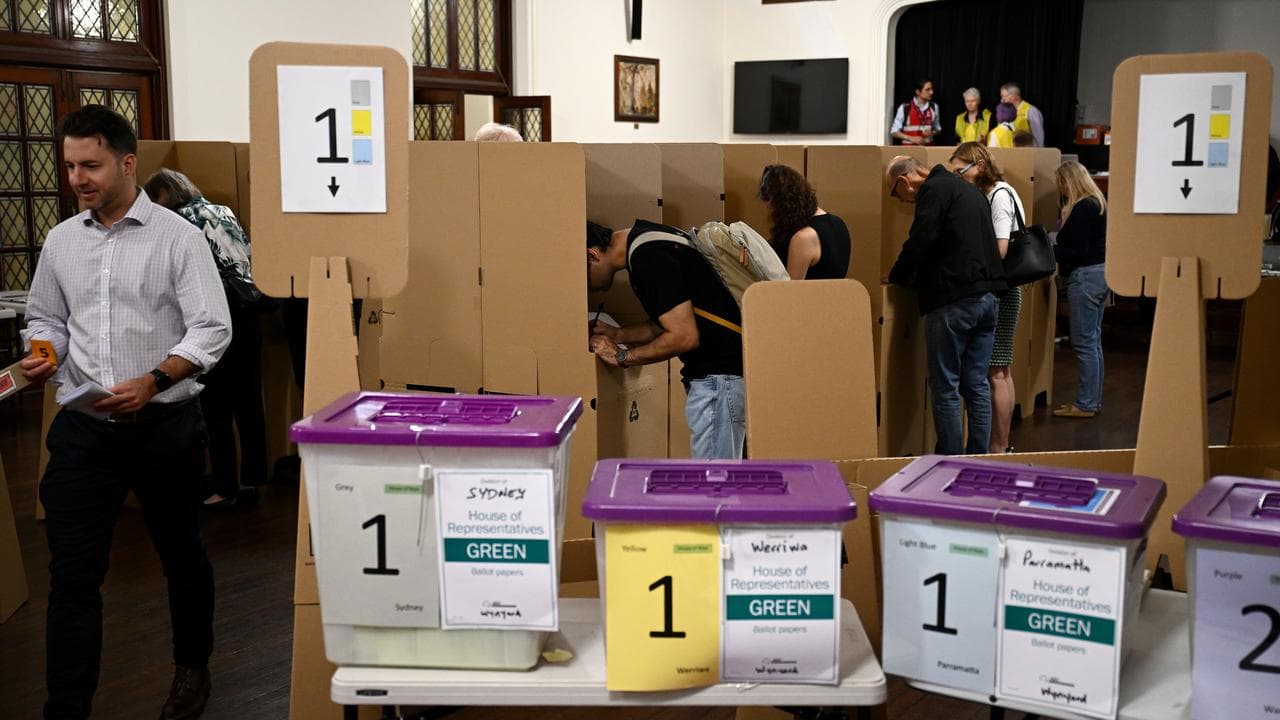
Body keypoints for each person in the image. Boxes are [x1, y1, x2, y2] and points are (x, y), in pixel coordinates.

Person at [20, 105, 230, 719]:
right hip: (84, 432)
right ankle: (67, 706)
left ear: (127, 161)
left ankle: (193, 668)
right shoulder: (61, 241)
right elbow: (47, 321)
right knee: (73, 575)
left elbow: (212, 328)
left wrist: (156, 379)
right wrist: (43, 355)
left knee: (182, 555)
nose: (77, 178)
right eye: (69, 166)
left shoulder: (178, 238)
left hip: (164, 427)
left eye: (91, 164)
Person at [144, 168, 269, 509]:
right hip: (250, 314)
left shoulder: (179, 222)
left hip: (216, 316)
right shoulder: (223, 211)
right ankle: (253, 479)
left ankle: (224, 486)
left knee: (216, 407)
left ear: (162, 196)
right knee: (249, 404)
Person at [586, 220, 744, 459]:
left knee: (714, 483)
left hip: (717, 379)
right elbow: (670, 321)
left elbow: (683, 337)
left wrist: (621, 356)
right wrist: (619, 334)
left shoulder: (646, 258)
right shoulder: (650, 238)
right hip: (724, 376)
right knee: (722, 478)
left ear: (592, 255)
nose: (589, 288)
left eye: (584, 277)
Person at [885, 155, 1006, 455]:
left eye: (896, 195)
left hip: (953, 299)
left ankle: (950, 461)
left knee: (946, 388)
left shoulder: (933, 191)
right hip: (989, 298)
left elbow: (920, 241)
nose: (902, 202)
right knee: (976, 385)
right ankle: (978, 459)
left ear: (904, 181)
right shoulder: (968, 189)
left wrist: (896, 276)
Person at [950, 143, 1025, 453]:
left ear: (977, 166)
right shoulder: (1002, 191)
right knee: (1002, 369)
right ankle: (1002, 444)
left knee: (995, 372)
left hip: (1002, 291)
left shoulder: (998, 196)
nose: (957, 177)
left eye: (960, 170)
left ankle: (998, 445)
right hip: (1007, 289)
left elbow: (1001, 247)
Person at [1052, 161, 1109, 419]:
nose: (1060, 189)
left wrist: (1051, 249)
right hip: (1100, 274)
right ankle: (1091, 401)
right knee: (1093, 343)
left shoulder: (1082, 207)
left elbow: (1078, 250)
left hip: (1084, 276)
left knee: (1084, 343)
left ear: (1069, 182)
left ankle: (1085, 404)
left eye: (1061, 184)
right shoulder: (1097, 203)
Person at [757, 164, 851, 280]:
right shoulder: (838, 223)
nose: (772, 214)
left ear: (784, 204)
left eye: (774, 207)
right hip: (834, 297)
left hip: (810, 297)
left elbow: (791, 292)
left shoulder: (804, 237)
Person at [890, 79, 941, 146]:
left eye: (932, 89)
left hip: (928, 150)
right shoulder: (905, 108)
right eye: (927, 90)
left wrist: (932, 132)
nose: (931, 92)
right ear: (918, 92)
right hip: (909, 150)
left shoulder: (934, 107)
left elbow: (938, 129)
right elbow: (894, 132)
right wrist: (911, 138)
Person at [999, 82, 1044, 147]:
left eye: (1004, 96)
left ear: (1015, 96)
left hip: (1027, 153)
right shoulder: (1005, 113)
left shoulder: (1031, 111)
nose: (1002, 100)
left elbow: (1038, 136)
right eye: (1001, 96)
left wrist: (1037, 154)